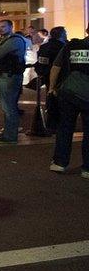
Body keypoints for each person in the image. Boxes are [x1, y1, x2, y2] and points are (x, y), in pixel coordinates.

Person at [48, 25, 89, 179]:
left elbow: (56, 67)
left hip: (68, 92)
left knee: (65, 128)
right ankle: (87, 168)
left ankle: (59, 163)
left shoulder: (72, 46)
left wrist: (52, 87)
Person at [0, 19, 28, 144]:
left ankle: (11, 135)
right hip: (3, 74)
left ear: (11, 27)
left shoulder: (15, 40)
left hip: (10, 76)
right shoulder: (2, 40)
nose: (0, 29)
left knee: (9, 106)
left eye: (3, 26)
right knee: (5, 106)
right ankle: (7, 132)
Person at [37, 27, 67, 132]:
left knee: (50, 98)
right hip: (61, 77)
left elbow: (40, 61)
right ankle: (58, 124)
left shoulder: (44, 47)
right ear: (62, 35)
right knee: (61, 101)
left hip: (46, 76)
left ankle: (51, 123)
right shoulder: (63, 47)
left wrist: (41, 73)